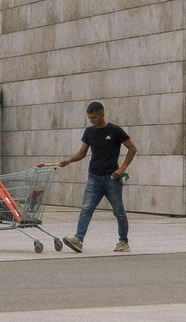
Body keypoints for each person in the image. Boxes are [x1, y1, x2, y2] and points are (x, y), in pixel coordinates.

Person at [49, 101, 135, 253]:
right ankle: (78, 239)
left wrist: (122, 168)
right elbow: (82, 153)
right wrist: (68, 160)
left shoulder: (115, 131)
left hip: (112, 178)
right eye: (89, 118)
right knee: (86, 208)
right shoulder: (89, 132)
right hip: (94, 177)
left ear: (102, 115)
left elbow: (132, 149)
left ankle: (123, 241)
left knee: (119, 211)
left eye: (94, 117)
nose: (92, 120)